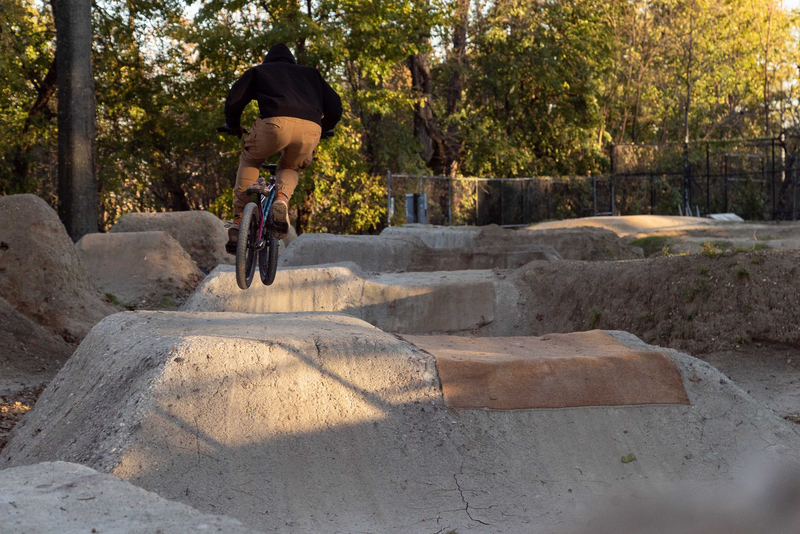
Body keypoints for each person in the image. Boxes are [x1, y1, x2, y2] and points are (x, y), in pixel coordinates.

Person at [221, 43, 342, 253]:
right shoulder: (311, 74)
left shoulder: (260, 71)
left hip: (273, 125)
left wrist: (233, 125)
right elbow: (335, 106)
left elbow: (234, 100)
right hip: (310, 129)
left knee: (250, 159)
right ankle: (282, 200)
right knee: (291, 167)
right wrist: (325, 128)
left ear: (269, 60)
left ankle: (239, 220)